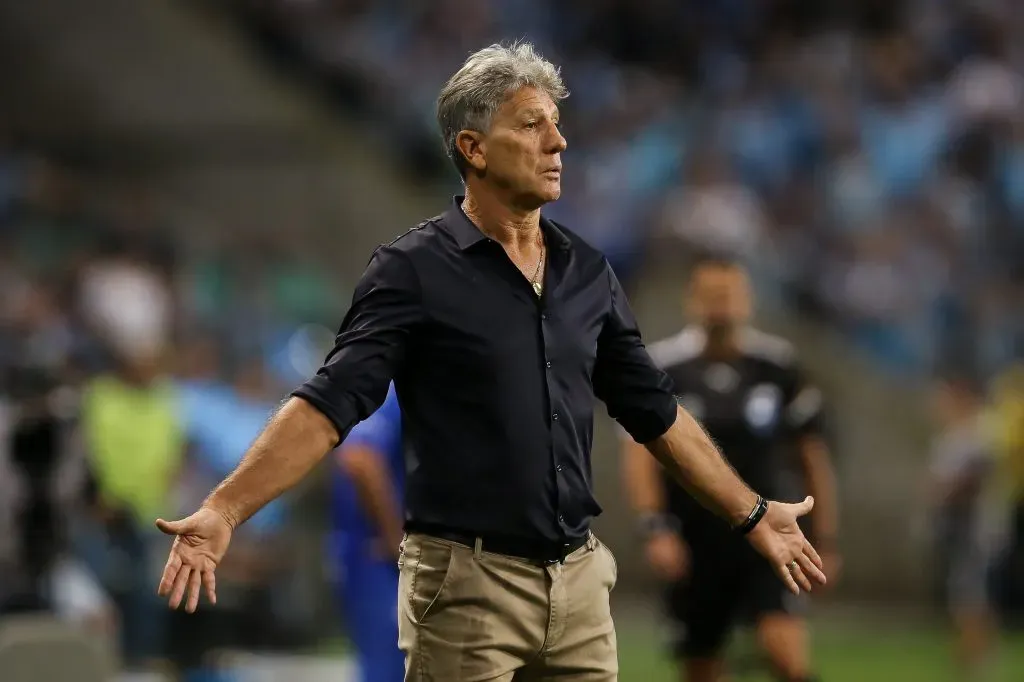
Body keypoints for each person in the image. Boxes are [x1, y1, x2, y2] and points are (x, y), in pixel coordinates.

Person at [155, 42, 826, 682]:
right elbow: (329, 405)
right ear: (473, 148)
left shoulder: (587, 273)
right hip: (466, 584)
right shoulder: (412, 271)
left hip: (580, 580)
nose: (557, 143)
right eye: (532, 125)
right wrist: (225, 510)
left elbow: (655, 412)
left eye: (556, 124)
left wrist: (750, 511)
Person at [621, 256, 839, 682]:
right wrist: (655, 528)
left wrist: (825, 536)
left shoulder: (777, 367)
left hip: (768, 533)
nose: (720, 305)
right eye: (711, 295)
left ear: (748, 300)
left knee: (785, 653)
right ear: (691, 300)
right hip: (695, 537)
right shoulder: (664, 367)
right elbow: (639, 454)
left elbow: (812, 456)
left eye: (729, 294)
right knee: (701, 665)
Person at [929, 374, 1008, 682]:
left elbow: (974, 478)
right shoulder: (953, 435)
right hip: (957, 527)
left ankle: (976, 657)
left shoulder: (979, 434)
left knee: (969, 592)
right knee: (965, 591)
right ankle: (972, 653)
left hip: (972, 527)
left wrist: (945, 492)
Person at [329, 382, 405, 682]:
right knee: (388, 666)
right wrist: (396, 540)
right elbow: (360, 458)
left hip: (383, 554)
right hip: (379, 555)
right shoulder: (394, 386)